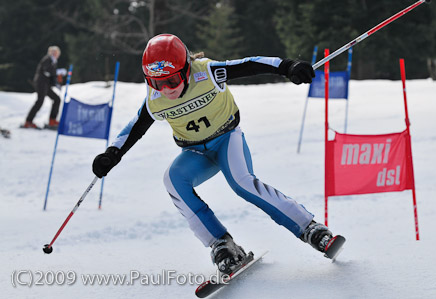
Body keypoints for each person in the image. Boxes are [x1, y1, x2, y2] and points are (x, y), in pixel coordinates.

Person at [92, 34, 342, 275]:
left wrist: (287, 66)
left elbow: (249, 65)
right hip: (195, 152)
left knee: (242, 183)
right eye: (157, 82)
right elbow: (133, 128)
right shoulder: (155, 99)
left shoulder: (207, 73)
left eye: (172, 81)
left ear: (186, 70)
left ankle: (310, 229)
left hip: (227, 140)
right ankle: (221, 244)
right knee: (173, 180)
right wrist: (112, 154)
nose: (166, 89)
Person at [23, 46, 63, 129]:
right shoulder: (47, 59)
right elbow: (47, 71)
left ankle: (52, 120)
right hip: (41, 83)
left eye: (57, 53)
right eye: (53, 52)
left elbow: (51, 76)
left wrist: (56, 83)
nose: (55, 54)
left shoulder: (54, 61)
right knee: (40, 101)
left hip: (46, 84)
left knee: (57, 99)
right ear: (50, 52)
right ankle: (28, 121)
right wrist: (57, 72)